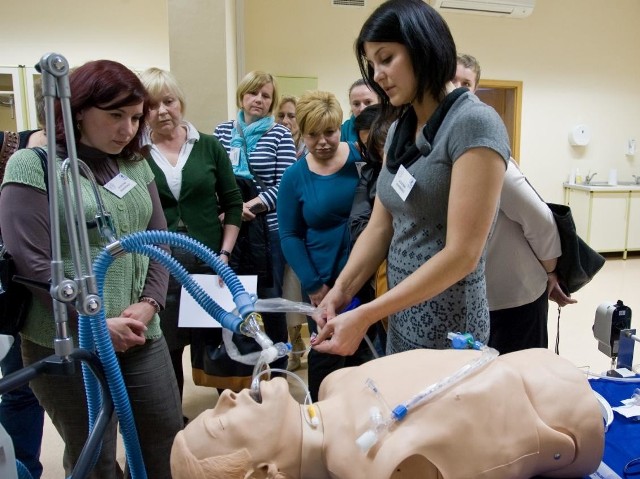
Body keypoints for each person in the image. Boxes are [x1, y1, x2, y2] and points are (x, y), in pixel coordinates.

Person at [0, 59, 182, 478]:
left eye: (136, 118)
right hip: (68, 342)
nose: (128, 129)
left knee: (163, 440)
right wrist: (98, 322)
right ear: (78, 109)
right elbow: (32, 261)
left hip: (140, 336)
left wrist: (150, 303)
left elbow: (156, 240)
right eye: (115, 116)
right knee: (95, 455)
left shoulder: (135, 165)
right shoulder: (35, 165)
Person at [312, 0, 510, 357]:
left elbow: (463, 254)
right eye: (372, 64)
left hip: (450, 326)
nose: (377, 74)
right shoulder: (401, 126)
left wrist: (367, 313)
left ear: (424, 48)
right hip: (401, 315)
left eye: (386, 59)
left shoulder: (473, 124)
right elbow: (380, 226)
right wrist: (340, 292)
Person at [170, 347, 604, 479]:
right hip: (570, 415)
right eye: (221, 424)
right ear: (265, 471)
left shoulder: (333, 386)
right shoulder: (375, 465)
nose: (224, 399)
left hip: (538, 365)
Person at [452, 53, 576, 353]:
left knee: (520, 376)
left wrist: (549, 271)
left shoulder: (483, 148)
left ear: (475, 90)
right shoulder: (445, 141)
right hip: (476, 294)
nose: (457, 88)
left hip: (513, 296)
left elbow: (540, 220)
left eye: (465, 83)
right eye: (451, 80)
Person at [139, 67, 243, 406]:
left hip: (210, 261)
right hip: (160, 265)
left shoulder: (209, 146)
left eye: (168, 101)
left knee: (218, 339)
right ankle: (172, 418)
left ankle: (231, 414)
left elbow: (233, 203)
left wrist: (224, 255)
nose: (162, 111)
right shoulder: (135, 154)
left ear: (180, 102)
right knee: (167, 345)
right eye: (152, 105)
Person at [277, 90, 374, 400]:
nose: (322, 141)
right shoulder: (294, 177)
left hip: (367, 275)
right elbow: (289, 235)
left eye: (329, 132)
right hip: (324, 282)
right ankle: (325, 418)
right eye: (312, 134)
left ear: (339, 127)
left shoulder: (361, 158)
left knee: (368, 355)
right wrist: (314, 285)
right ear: (301, 133)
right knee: (329, 356)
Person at [213, 71, 297, 374]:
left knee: (270, 302)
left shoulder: (279, 134)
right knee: (234, 300)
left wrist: (248, 206)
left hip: (269, 231)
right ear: (241, 96)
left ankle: (278, 369)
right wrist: (230, 212)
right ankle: (238, 370)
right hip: (230, 232)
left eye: (265, 95)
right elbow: (214, 181)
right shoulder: (222, 131)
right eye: (253, 93)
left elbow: (285, 183)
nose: (259, 100)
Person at [0, 80, 47, 479]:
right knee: (20, 386)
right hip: (23, 288)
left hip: (90, 291)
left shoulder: (102, 156)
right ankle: (24, 469)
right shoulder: (14, 149)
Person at [350, 103, 394, 356]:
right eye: (370, 149)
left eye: (380, 147)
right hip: (379, 277)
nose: (379, 157)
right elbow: (359, 228)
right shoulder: (370, 175)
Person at [274, 95, 307, 372]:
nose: (286, 121)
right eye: (281, 115)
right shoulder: (273, 145)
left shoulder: (311, 148)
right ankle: (295, 345)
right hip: (281, 230)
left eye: (291, 116)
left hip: (307, 234)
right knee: (288, 293)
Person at [340, 78, 380, 146]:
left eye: (368, 102)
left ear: (379, 101)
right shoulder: (343, 131)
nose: (362, 109)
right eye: (356, 104)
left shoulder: (392, 127)